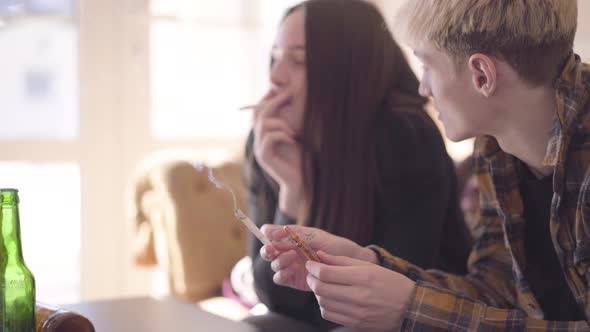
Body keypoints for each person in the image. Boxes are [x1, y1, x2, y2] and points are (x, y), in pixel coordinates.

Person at [259, 0, 590, 330]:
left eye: (428, 66)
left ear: (482, 75)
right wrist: (368, 262)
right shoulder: (495, 146)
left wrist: (410, 309)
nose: (423, 87)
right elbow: (496, 291)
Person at [243, 0, 472, 331]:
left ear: (347, 70)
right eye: (275, 57)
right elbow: (274, 298)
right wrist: (293, 195)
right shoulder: (270, 141)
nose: (275, 77)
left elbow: (382, 302)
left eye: (298, 60)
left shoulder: (405, 136)